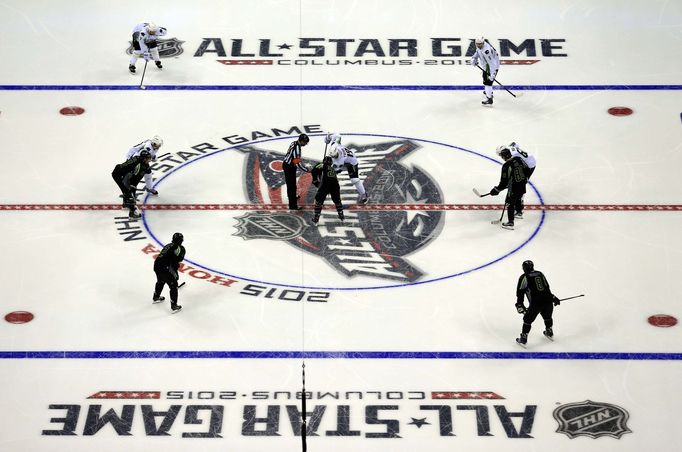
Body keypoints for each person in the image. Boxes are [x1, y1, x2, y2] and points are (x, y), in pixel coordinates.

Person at [514, 260, 561, 346]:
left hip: (536, 303)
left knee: (527, 320)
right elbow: (547, 288)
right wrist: (553, 298)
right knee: (547, 316)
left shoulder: (524, 277)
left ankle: (524, 338)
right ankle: (549, 331)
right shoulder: (540, 273)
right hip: (547, 300)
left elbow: (520, 292)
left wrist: (520, 304)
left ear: (524, 268)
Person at [489, 147, 528, 230]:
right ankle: (519, 212)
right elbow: (527, 169)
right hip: (522, 185)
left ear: (504, 156)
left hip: (514, 188)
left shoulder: (506, 166)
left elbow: (503, 183)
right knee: (518, 198)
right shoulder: (518, 159)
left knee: (509, 203)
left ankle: (510, 223)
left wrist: (496, 190)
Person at [324, 132, 368, 204]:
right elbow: (337, 135)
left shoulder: (340, 160)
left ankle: (363, 194)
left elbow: (336, 169)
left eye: (335, 156)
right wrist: (328, 137)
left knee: (355, 180)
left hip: (351, 163)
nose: (334, 157)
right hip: (346, 159)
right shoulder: (334, 144)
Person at [496, 142, 536, 218]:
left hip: (529, 165)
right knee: (520, 183)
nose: (501, 157)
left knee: (520, 183)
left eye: (501, 155)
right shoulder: (510, 148)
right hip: (530, 160)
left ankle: (520, 208)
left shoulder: (512, 157)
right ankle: (519, 207)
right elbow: (515, 144)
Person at [111, 150, 153, 218]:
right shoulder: (139, 166)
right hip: (118, 174)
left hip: (122, 173)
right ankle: (132, 213)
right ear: (144, 158)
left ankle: (126, 203)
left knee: (128, 193)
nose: (149, 160)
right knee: (129, 195)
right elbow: (131, 179)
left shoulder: (140, 161)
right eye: (148, 158)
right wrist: (131, 191)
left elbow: (135, 179)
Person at [153, 232, 185, 313]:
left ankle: (156, 297)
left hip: (157, 265)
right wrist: (176, 275)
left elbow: (168, 257)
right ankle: (174, 306)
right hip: (165, 267)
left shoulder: (168, 245)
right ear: (181, 240)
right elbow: (176, 261)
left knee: (161, 281)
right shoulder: (179, 248)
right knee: (173, 286)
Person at [310, 155, 345, 225]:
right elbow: (337, 171)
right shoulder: (332, 168)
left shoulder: (321, 164)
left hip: (325, 184)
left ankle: (316, 219)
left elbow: (314, 171)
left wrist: (315, 181)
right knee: (337, 200)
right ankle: (341, 215)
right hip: (335, 184)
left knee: (319, 200)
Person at [282, 133, 311, 210]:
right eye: (305, 142)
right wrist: (306, 170)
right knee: (291, 186)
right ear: (301, 141)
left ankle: (292, 197)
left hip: (289, 165)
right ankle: (293, 206)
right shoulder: (297, 148)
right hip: (289, 167)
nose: (305, 144)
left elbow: (296, 160)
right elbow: (297, 162)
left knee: (292, 184)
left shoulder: (294, 142)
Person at [470, 37, 500, 106]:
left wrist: (493, 73)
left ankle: (489, 99)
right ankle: (489, 92)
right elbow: (478, 52)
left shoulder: (487, 51)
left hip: (490, 67)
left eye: (480, 44)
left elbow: (492, 63)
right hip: (487, 66)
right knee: (487, 82)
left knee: (487, 83)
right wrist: (474, 58)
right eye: (477, 44)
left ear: (483, 43)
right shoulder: (481, 46)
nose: (478, 45)